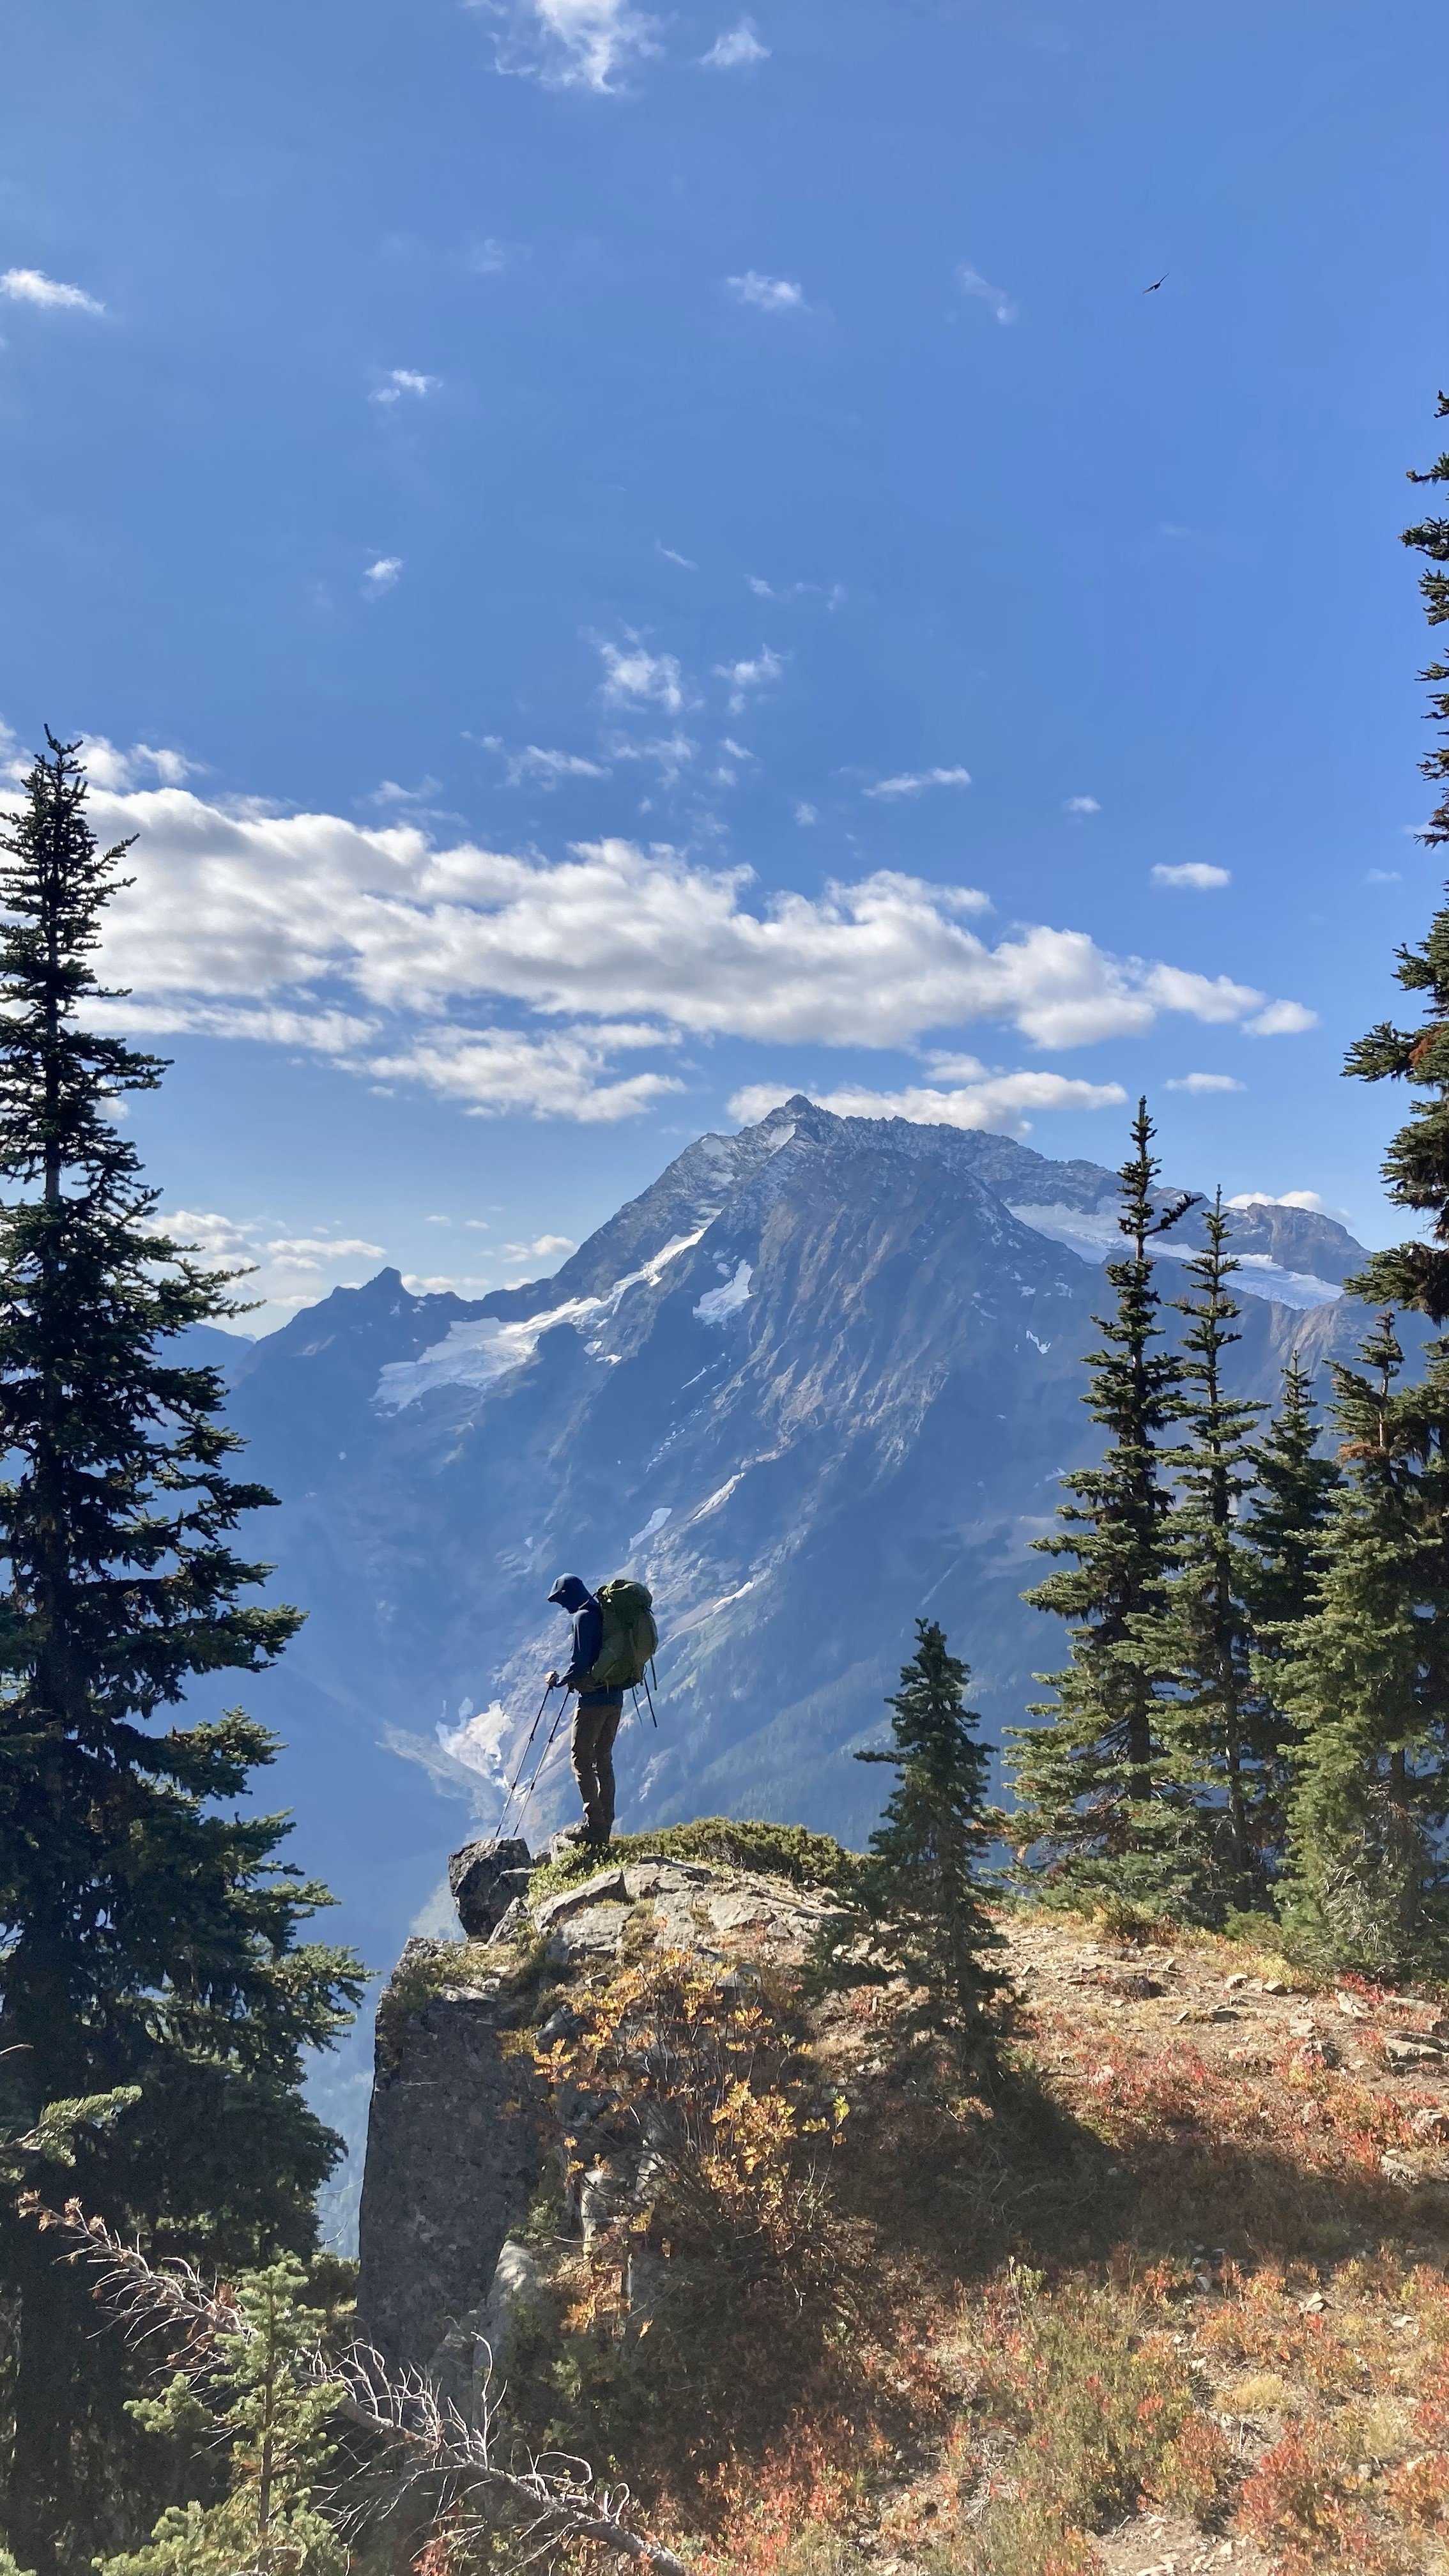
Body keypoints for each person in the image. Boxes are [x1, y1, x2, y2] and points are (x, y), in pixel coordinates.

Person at [546, 1573, 624, 1847]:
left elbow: (580, 1664)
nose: (561, 1607)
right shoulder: (604, 1612)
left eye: (560, 1600)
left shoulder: (582, 1618)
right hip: (615, 1697)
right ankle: (605, 1825)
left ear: (569, 1595)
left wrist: (559, 1681)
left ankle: (594, 1825)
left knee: (580, 1758)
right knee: (603, 1758)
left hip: (593, 1702)